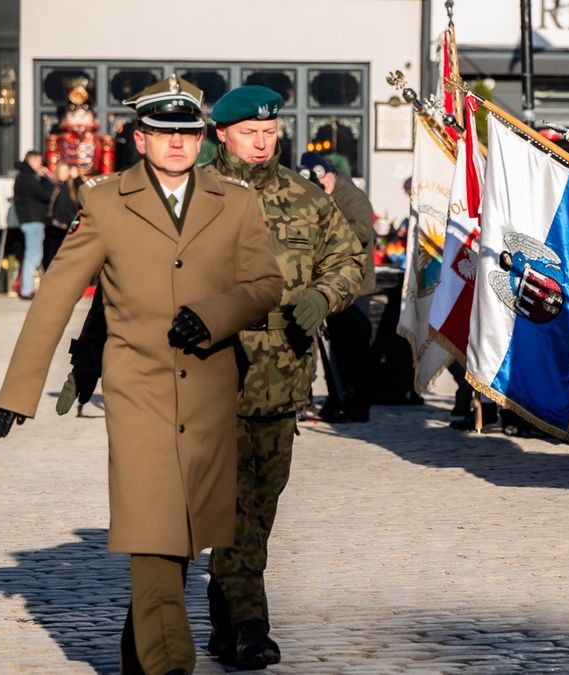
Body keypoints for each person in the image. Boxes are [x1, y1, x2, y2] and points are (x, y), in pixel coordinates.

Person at [0, 74, 283, 675]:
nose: (177, 144)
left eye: (187, 133)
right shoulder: (101, 202)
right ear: (139, 138)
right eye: (162, 133)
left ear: (203, 137)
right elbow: (56, 297)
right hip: (138, 390)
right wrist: (20, 390)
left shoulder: (237, 201)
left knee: (182, 529)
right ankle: (169, 663)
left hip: (208, 387)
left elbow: (265, 286)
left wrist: (212, 315)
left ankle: (138, 653)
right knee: (151, 522)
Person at [205, 85, 365, 668]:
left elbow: (350, 259)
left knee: (260, 507)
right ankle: (250, 625)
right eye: (249, 132)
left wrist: (325, 295)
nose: (262, 142)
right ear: (221, 133)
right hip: (210, 375)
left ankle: (226, 615)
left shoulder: (306, 198)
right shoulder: (197, 196)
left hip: (282, 378)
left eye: (269, 132)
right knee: (231, 506)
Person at [299, 150, 377, 423]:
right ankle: (337, 399)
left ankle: (357, 405)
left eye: (322, 185)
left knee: (354, 349)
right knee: (337, 349)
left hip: (355, 287)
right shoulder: (322, 197)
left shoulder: (352, 198)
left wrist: (327, 238)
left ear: (327, 174)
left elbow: (363, 232)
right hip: (331, 285)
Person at [12, 150, 55, 299]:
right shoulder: (27, 178)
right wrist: (47, 178)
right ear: (32, 160)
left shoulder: (24, 176)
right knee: (33, 255)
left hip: (31, 220)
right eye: (39, 161)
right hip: (32, 221)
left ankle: (27, 288)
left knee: (35, 255)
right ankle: (26, 289)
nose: (41, 164)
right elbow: (45, 194)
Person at [44, 160, 81, 270]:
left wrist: (77, 178)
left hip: (70, 226)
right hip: (56, 227)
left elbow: (85, 191)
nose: (64, 173)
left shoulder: (72, 187)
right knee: (55, 254)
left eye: (66, 171)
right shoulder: (55, 186)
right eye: (62, 171)